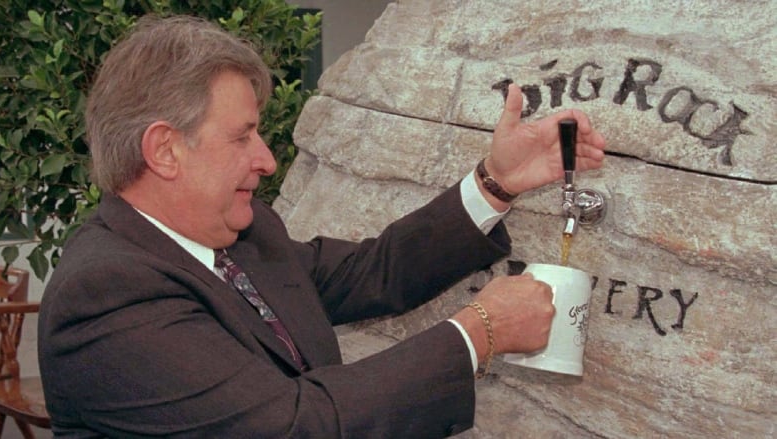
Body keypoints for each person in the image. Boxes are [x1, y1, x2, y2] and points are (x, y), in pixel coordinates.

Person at [37, 14, 606, 438]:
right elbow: (293, 426)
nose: (266, 159)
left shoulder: (246, 232)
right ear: (165, 150)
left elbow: (370, 273)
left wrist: (496, 182)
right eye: (242, 137)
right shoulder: (107, 297)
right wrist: (481, 330)